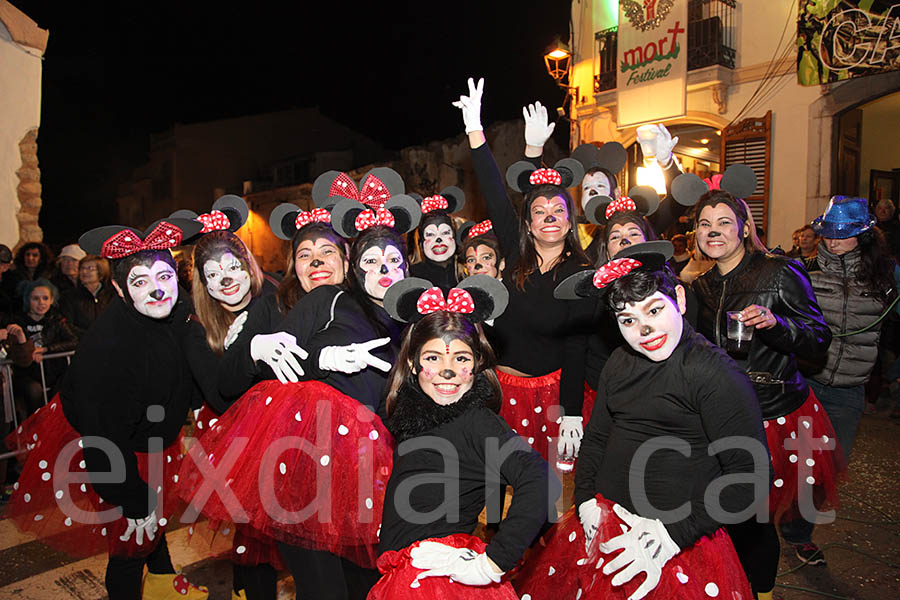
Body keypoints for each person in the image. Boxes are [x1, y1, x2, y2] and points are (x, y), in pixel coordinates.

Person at [181, 182, 420, 600]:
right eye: (305, 255)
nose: (317, 262)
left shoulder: (400, 314)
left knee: (364, 581)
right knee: (319, 583)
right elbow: (236, 385)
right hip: (299, 457)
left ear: (346, 260)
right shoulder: (277, 304)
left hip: (367, 466)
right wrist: (262, 348)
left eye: (327, 252)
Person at [515, 242, 760, 600]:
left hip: (676, 541)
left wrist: (672, 535)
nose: (645, 329)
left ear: (679, 297)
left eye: (654, 310)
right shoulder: (619, 362)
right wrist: (584, 500)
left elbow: (748, 479)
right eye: (629, 319)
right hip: (608, 524)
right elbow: (597, 438)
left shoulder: (714, 374)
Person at [4, 219, 209, 600]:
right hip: (118, 453)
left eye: (163, 276)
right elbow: (103, 435)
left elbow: (182, 368)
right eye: (139, 282)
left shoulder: (174, 312)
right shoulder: (109, 345)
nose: (156, 289)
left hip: (151, 437)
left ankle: (164, 583)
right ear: (118, 287)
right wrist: (131, 495)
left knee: (155, 523)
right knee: (130, 543)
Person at [370, 275, 559, 599]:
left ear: (477, 364)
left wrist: (492, 563)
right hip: (403, 564)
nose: (447, 372)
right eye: (433, 358)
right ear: (414, 364)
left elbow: (541, 480)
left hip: (437, 578)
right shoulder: (412, 413)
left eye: (461, 359)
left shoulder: (477, 421)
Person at [690, 187, 840, 594]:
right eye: (705, 224)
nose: (714, 231)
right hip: (721, 417)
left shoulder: (778, 272)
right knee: (720, 514)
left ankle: (760, 591)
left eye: (724, 222)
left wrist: (778, 326)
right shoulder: (700, 288)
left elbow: (819, 338)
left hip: (773, 415)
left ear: (743, 228)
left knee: (755, 520)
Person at [454, 77, 595, 464]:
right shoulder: (515, 257)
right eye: (539, 213)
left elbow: (576, 346)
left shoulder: (581, 273)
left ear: (570, 223)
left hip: (551, 396)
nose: (548, 218)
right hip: (504, 390)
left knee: (546, 490)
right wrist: (474, 130)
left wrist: (571, 412)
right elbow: (498, 191)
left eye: (557, 213)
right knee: (496, 486)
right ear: (528, 224)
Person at [178, 218, 282, 600]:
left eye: (234, 267)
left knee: (292, 528)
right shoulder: (197, 326)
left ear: (249, 265)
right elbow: (220, 397)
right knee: (253, 532)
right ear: (203, 283)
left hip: (284, 430)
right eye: (213, 274)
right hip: (235, 440)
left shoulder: (272, 298)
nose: (227, 279)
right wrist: (246, 351)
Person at [793, 197, 898, 551]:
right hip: (805, 385)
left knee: (829, 469)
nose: (834, 240)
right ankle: (773, 529)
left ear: (864, 236)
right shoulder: (803, 273)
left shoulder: (885, 276)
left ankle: (798, 529)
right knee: (790, 462)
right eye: (829, 233)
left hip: (849, 391)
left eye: (844, 233)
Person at [9, 279, 78, 418]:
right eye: (36, 298)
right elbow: (14, 352)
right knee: (34, 392)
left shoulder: (56, 320)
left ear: (52, 300)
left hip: (52, 372)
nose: (41, 303)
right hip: (27, 374)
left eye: (45, 298)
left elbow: (73, 341)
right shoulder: (18, 323)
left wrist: (47, 349)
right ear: (28, 300)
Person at [408, 187, 465, 289]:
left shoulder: (468, 272)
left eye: (445, 232)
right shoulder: (411, 278)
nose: (438, 240)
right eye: (430, 234)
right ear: (421, 244)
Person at [60, 254, 115, 338]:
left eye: (90, 268)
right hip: (82, 341)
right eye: (82, 268)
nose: (84, 272)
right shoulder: (69, 296)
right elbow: (67, 325)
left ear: (101, 272)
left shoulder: (111, 295)